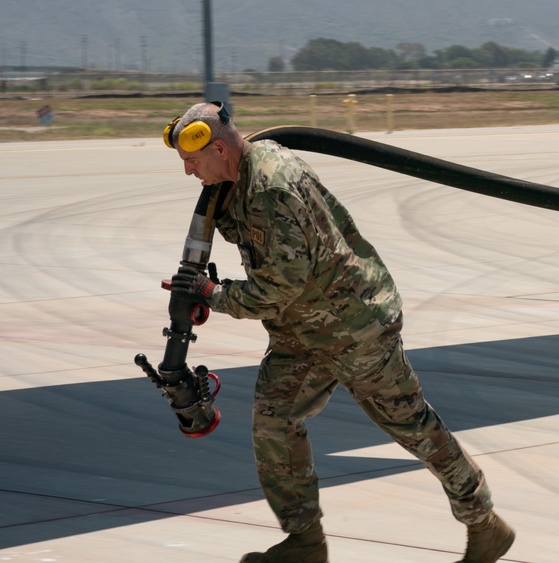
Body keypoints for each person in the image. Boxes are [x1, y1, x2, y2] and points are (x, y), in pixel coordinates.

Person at [164, 101, 515, 563]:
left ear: (220, 149)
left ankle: (484, 523)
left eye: (193, 161)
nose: (190, 173)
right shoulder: (238, 179)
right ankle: (305, 542)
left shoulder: (271, 187)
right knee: (274, 422)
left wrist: (214, 293)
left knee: (412, 426)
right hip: (302, 333)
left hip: (354, 327)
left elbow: (278, 287)